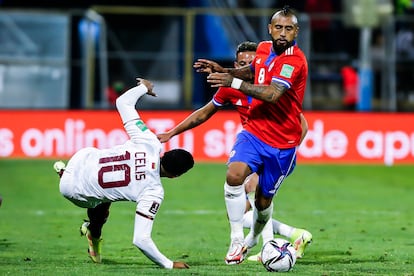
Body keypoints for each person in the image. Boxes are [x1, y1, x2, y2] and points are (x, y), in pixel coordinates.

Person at [159, 41, 311, 263]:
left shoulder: (272, 87)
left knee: (257, 198)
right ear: (236, 65)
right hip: (253, 144)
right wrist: (171, 133)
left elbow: (302, 125)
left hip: (279, 151)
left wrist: (285, 150)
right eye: (242, 63)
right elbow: (203, 113)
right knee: (240, 187)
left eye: (252, 63)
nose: (248, 66)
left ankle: (272, 239)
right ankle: (254, 241)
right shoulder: (231, 87)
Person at [194, 6, 310, 265]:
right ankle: (236, 239)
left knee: (263, 201)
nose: (282, 33)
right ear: (270, 29)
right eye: (278, 27)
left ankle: (253, 239)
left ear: (296, 32)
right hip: (255, 132)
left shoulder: (294, 60)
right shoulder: (264, 49)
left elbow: (272, 94)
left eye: (288, 29)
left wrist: (231, 82)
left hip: (282, 143)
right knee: (234, 175)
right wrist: (228, 71)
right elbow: (253, 72)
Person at [53, 78, 194, 269]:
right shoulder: (153, 191)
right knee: (102, 198)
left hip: (82, 158)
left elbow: (122, 102)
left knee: (104, 195)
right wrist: (169, 264)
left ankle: (65, 172)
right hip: (71, 190)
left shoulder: (150, 141)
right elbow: (140, 240)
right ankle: (92, 232)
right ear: (174, 176)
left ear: (166, 151)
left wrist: (144, 87)